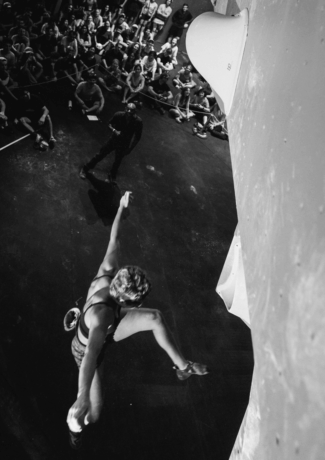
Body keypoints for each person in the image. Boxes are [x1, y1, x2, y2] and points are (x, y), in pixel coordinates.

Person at [65, 191, 208, 449]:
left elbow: (114, 237)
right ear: (128, 303)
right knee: (94, 414)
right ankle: (74, 428)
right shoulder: (101, 317)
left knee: (155, 317)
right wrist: (82, 396)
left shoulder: (109, 270)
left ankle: (183, 369)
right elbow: (89, 357)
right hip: (88, 347)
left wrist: (121, 207)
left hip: (109, 326)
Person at [79, 103, 142, 183]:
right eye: (127, 112)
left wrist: (130, 149)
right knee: (100, 155)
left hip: (124, 144)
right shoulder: (118, 115)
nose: (129, 114)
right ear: (125, 109)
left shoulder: (138, 122)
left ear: (135, 112)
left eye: (131, 113)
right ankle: (85, 168)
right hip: (114, 140)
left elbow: (137, 137)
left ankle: (111, 176)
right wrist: (114, 130)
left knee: (117, 161)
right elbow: (109, 124)